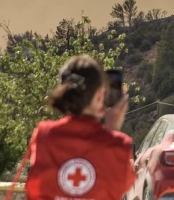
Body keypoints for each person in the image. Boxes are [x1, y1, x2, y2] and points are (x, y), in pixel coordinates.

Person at [25, 55, 135, 200]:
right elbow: (122, 185)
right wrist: (111, 131)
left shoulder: (44, 135)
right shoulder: (119, 145)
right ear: (99, 96)